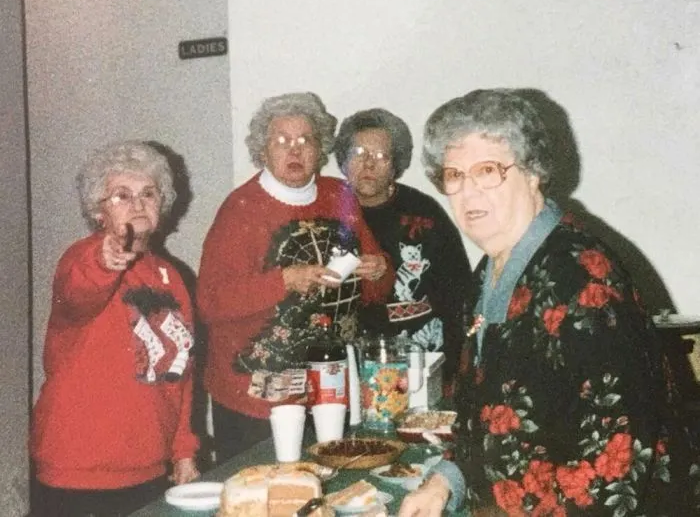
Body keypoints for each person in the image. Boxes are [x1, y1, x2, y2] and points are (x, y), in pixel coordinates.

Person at [399, 89, 699, 517]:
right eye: (454, 175)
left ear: (532, 172)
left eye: (487, 171)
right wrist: (446, 480)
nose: (468, 192)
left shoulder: (583, 281)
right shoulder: (490, 270)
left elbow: (615, 471)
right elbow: (482, 413)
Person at [197, 92, 393, 463]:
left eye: (305, 140)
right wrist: (284, 280)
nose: (295, 150)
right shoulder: (241, 209)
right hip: (256, 399)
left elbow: (376, 291)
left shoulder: (339, 195)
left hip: (330, 390)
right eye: (282, 140)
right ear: (263, 150)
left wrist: (380, 268)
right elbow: (210, 302)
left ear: (320, 149)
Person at [31, 141, 200, 517]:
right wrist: (104, 261)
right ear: (99, 211)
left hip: (148, 468)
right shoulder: (81, 257)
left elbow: (180, 373)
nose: (137, 204)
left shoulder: (171, 276)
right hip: (77, 473)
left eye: (148, 193)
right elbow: (79, 291)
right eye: (122, 195)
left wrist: (183, 451)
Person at [334, 108, 475, 391]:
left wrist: (456, 368)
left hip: (422, 358)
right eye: (359, 153)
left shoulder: (423, 212)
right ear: (344, 159)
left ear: (395, 164)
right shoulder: (328, 212)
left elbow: (459, 290)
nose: (368, 164)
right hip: (352, 364)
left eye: (381, 156)